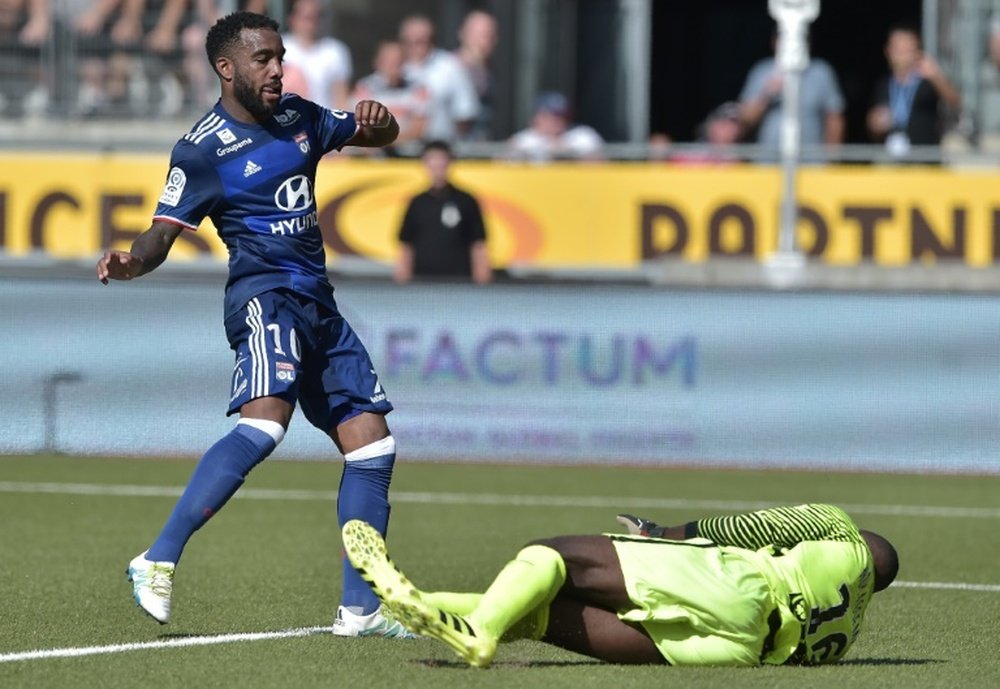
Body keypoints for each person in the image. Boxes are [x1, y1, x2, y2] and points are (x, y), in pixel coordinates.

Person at [96, 11, 415, 639]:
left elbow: (377, 133)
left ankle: (361, 609)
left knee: (373, 444)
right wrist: (134, 261)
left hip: (317, 302)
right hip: (264, 296)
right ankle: (156, 558)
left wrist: (383, 122)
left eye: (280, 56)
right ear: (227, 68)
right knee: (265, 426)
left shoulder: (301, 116)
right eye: (263, 59)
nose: (277, 69)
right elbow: (163, 232)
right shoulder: (203, 148)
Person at [342, 503, 899, 668]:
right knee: (543, 616)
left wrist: (661, 534)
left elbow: (746, 529)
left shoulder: (843, 533)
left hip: (744, 588)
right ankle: (409, 606)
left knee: (556, 556)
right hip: (739, 653)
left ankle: (480, 633)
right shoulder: (847, 635)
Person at [394, 140, 491, 284]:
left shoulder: (466, 201)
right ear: (425, 164)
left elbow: (478, 244)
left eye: (442, 159)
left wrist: (482, 280)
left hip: (460, 281)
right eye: (432, 159)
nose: (437, 165)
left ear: (450, 162)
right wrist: (402, 279)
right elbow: (406, 245)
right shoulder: (417, 202)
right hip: (421, 282)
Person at [738, 29, 844, 158]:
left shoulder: (821, 72)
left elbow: (834, 118)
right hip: (768, 159)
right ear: (774, 42)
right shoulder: (762, 71)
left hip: (812, 160)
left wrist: (832, 157)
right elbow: (746, 119)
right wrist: (766, 94)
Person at [867, 25, 961, 156]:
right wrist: (874, 124)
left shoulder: (928, 82)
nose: (902, 56)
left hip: (924, 159)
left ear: (917, 52)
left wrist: (936, 76)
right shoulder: (883, 84)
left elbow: (955, 102)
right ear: (888, 51)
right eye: (899, 50)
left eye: (907, 50)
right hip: (892, 158)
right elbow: (873, 128)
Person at [399, 14, 480, 142]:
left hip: (438, 150)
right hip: (393, 154)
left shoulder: (450, 67)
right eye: (410, 41)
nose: (415, 46)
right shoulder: (394, 66)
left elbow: (465, 113)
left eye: (421, 41)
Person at [351, 40, 428, 149]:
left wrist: (389, 141)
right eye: (389, 61)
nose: (394, 66)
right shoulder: (365, 87)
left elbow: (419, 128)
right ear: (378, 62)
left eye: (398, 61)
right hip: (373, 151)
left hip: (408, 151)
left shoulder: (417, 88)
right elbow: (360, 125)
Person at [281, 0, 352, 111]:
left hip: (324, 123)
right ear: (292, 19)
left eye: (317, 17)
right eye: (307, 17)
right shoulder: (279, 47)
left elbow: (341, 98)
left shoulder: (335, 51)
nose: (312, 23)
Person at [505, 91, 605, 162]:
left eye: (561, 115)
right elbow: (502, 166)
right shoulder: (523, 139)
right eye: (550, 115)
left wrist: (569, 155)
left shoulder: (583, 135)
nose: (556, 120)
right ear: (536, 117)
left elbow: (602, 165)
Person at [453, 9, 498, 141]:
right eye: (482, 35)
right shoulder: (450, 69)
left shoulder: (490, 71)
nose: (487, 41)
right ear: (462, 35)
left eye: (491, 36)